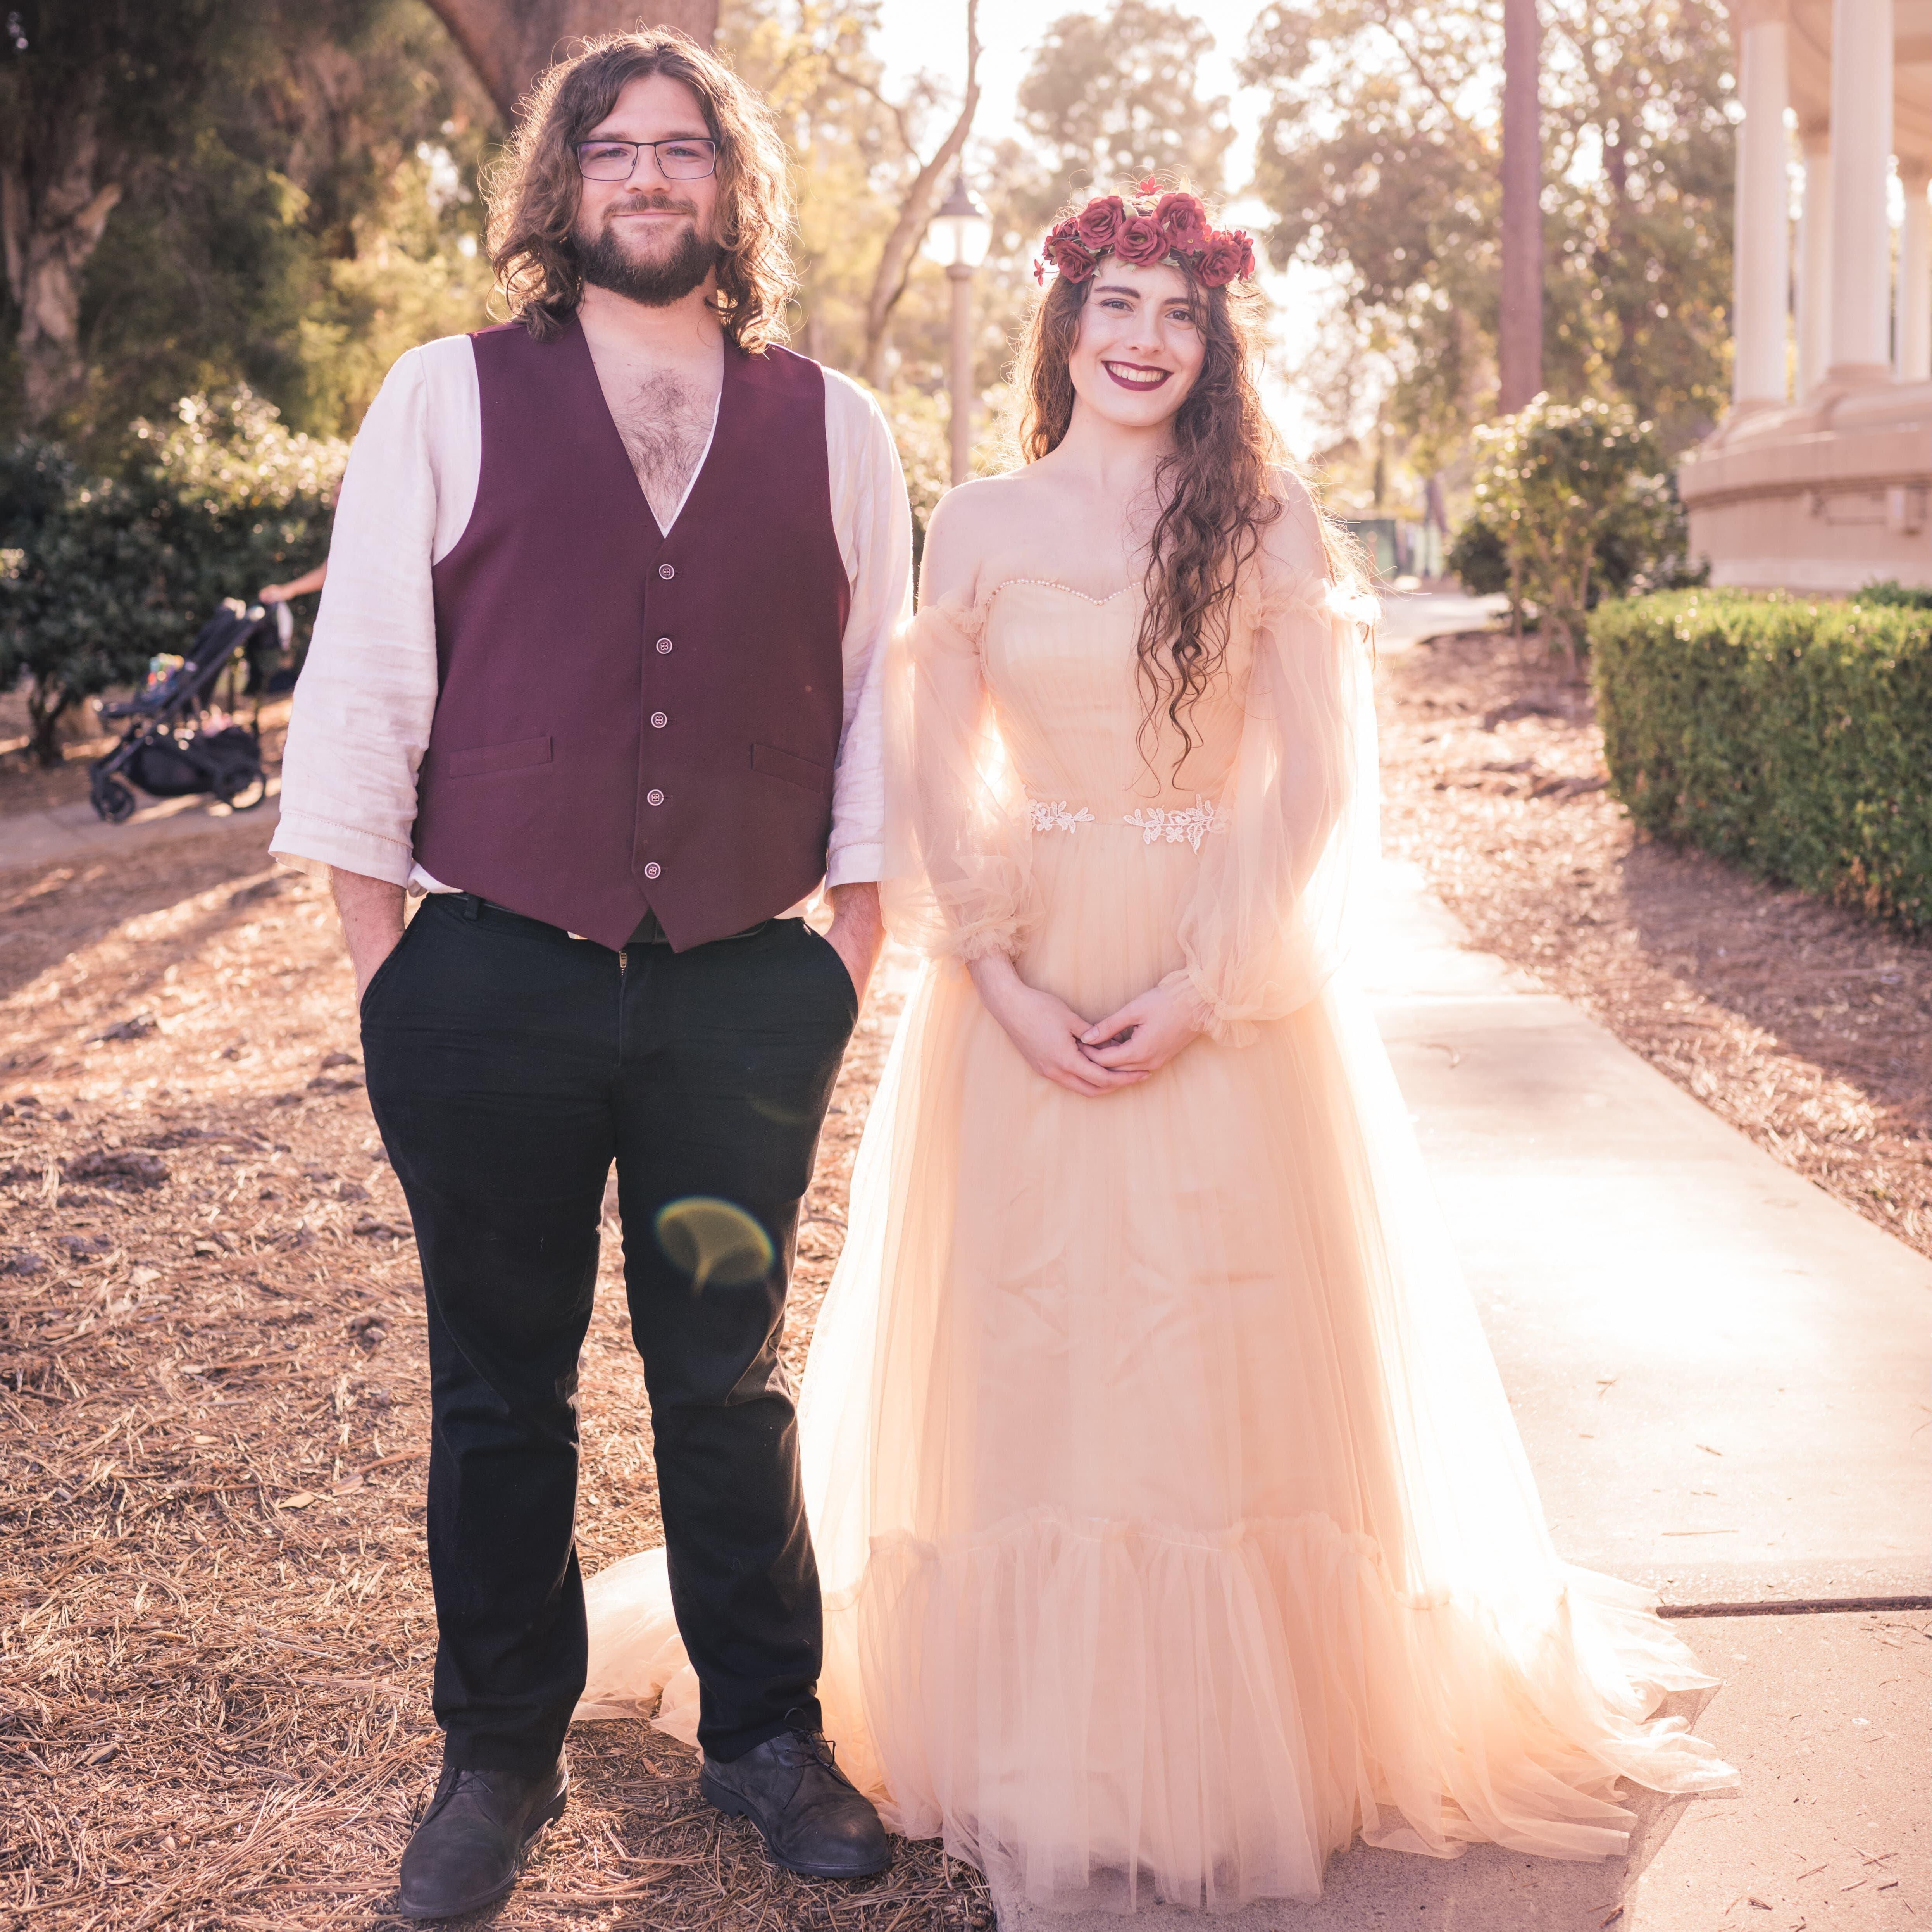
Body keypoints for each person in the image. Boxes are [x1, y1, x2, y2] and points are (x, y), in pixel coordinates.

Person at [578, 183, 1736, 1911]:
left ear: (1212, 345)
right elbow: (930, 770)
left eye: (1177, 314)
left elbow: (1314, 789)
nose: (1142, 338)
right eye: (1114, 304)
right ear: (1064, 326)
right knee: (1034, 1335)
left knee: (1218, 1333)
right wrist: (1000, 975)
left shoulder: (1262, 519)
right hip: (1024, 980)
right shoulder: (979, 521)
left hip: (1222, 978)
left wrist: (1209, 983)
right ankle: (1034, 1722)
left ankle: (1246, 1724)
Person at [270, 29, 912, 1920]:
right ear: (562, 186)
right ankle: (497, 1753)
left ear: (731, 186)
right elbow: (367, 677)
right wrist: (389, 970)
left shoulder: (837, 425)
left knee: (726, 1381)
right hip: (488, 978)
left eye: (682, 147)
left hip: (740, 987)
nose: (647, 174)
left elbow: (879, 700)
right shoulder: (444, 393)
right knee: (499, 1389)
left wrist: (843, 953)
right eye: (613, 147)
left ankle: (765, 1731)